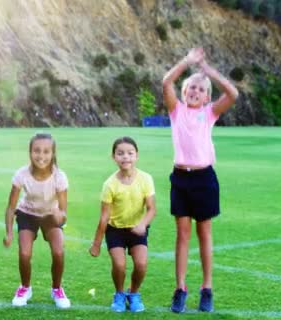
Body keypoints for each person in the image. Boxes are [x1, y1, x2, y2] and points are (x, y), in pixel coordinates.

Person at [161, 47, 239, 313]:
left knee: (204, 233)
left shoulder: (209, 114)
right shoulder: (176, 111)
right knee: (182, 235)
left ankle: (207, 288)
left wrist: (208, 72)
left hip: (204, 179)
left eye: (200, 89)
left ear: (207, 97)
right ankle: (180, 288)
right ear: (184, 93)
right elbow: (166, 82)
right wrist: (187, 62)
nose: (194, 91)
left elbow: (233, 94)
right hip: (181, 179)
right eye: (191, 87)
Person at [3, 133, 71, 309]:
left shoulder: (59, 177)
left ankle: (57, 289)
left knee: (58, 252)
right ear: (30, 152)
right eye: (37, 151)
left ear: (53, 153)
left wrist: (59, 216)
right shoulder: (21, 175)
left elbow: (63, 212)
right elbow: (11, 207)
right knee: (24, 253)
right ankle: (25, 288)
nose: (41, 155)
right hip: (27, 214)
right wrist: (9, 233)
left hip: (50, 216)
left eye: (46, 151)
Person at [89, 137, 157, 313]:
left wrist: (143, 224)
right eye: (120, 153)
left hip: (137, 229)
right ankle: (119, 294)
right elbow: (104, 217)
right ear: (113, 157)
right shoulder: (109, 185)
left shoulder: (146, 179)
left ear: (136, 156)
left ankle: (133, 294)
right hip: (115, 230)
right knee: (119, 265)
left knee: (141, 264)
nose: (125, 157)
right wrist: (96, 244)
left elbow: (151, 209)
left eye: (130, 153)